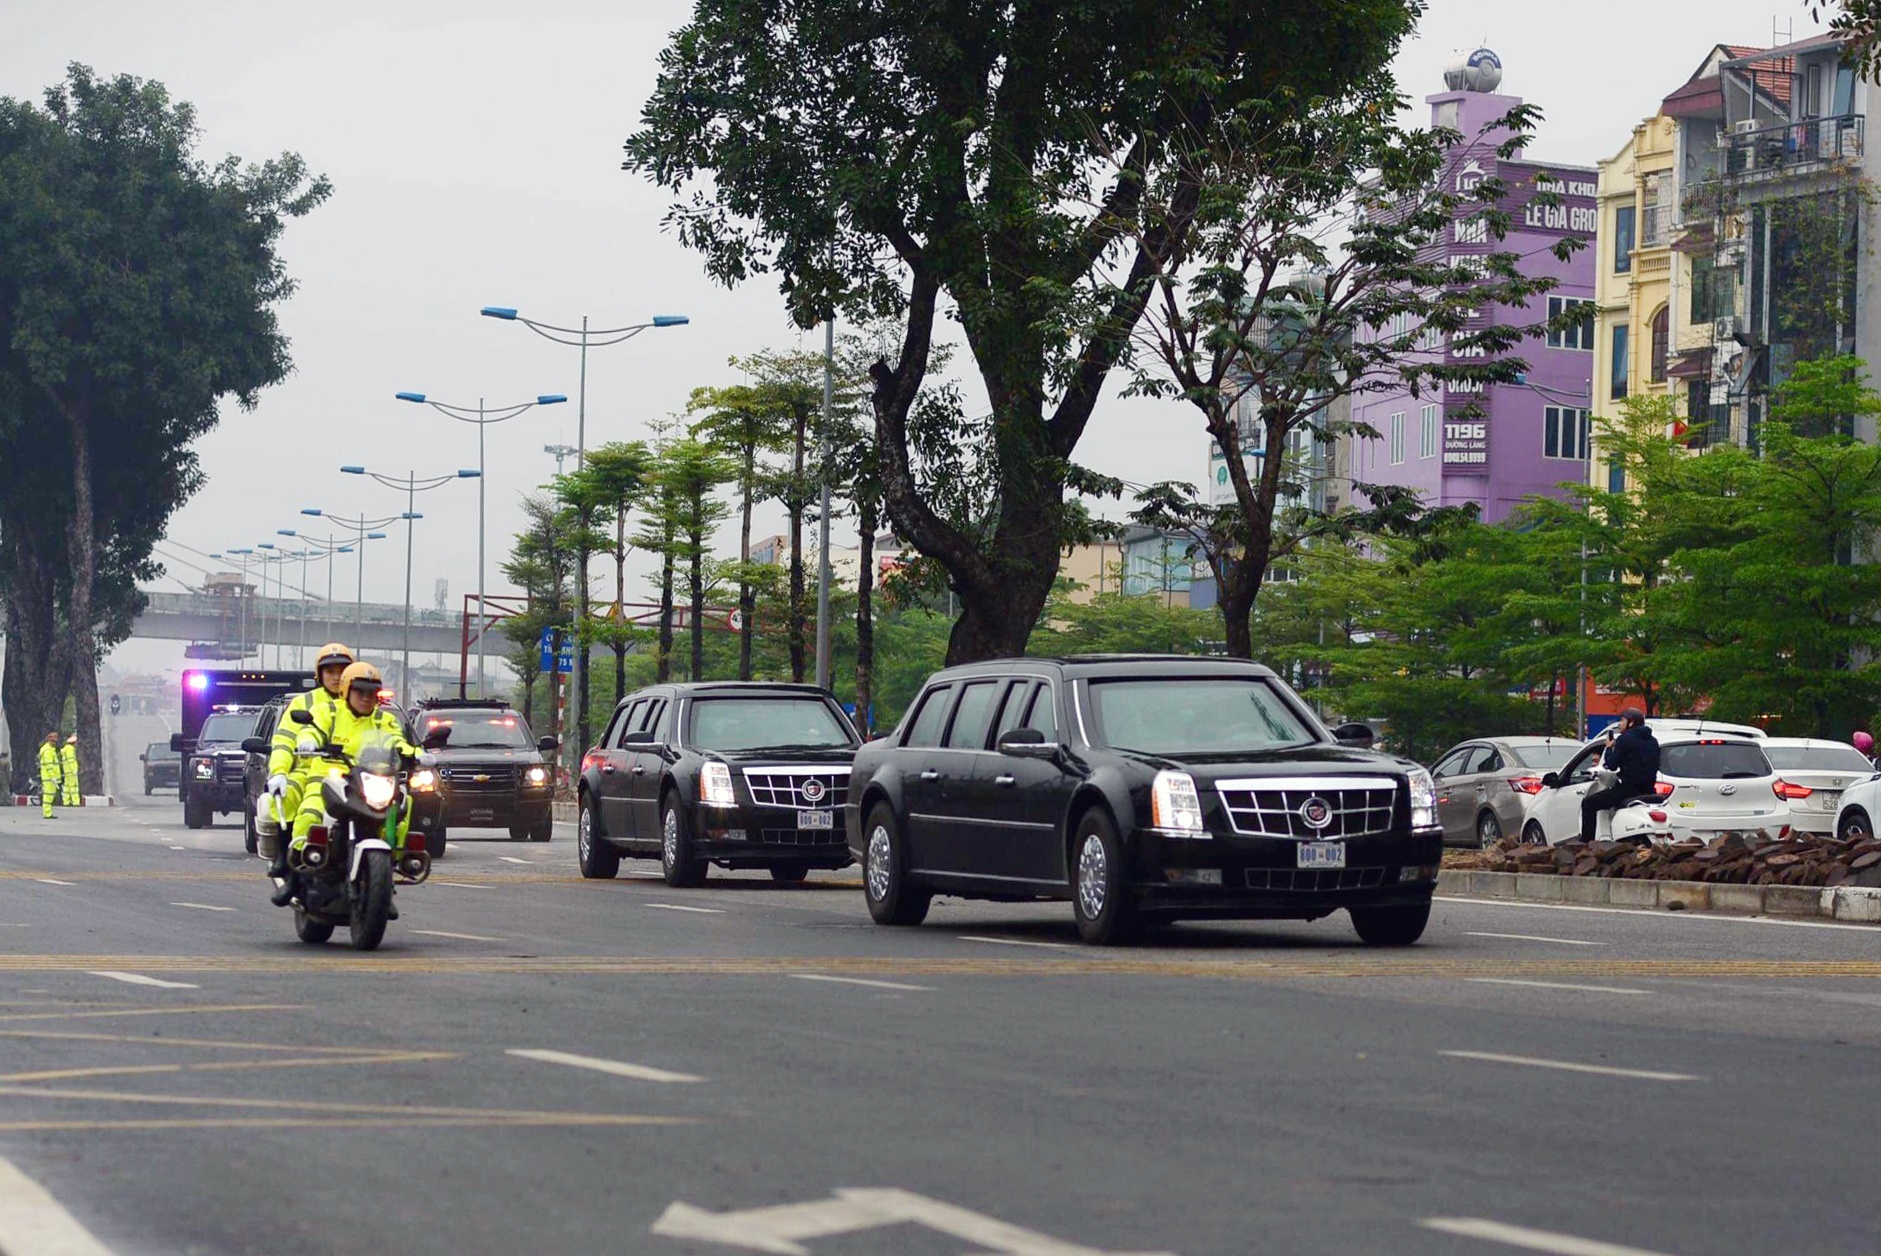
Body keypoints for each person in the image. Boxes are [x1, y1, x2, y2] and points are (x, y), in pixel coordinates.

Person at [272, 661, 422, 907]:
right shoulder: (328, 712)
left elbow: (397, 742)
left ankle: (386, 878)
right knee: (309, 812)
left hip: (370, 780)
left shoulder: (384, 720)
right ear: (346, 690)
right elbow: (312, 731)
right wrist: (308, 741)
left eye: (371, 693)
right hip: (330, 779)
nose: (365, 698)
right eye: (359, 691)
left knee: (402, 806)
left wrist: (415, 753)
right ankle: (296, 878)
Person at [262, 643, 354, 882]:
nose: (336, 677)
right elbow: (284, 741)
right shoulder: (303, 703)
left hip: (355, 773)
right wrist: (279, 772)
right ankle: (289, 864)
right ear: (319, 674)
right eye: (330, 671)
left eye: (341, 671)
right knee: (287, 795)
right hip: (308, 770)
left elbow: (384, 734)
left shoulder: (362, 703)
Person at [1580, 707, 1661, 843]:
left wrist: (1610, 747)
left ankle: (1587, 843)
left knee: (1588, 803)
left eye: (1622, 720)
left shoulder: (1625, 739)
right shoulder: (1653, 741)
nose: (1619, 724)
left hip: (1627, 790)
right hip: (1649, 789)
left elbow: (1611, 765)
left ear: (1631, 722)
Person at [37, 733, 62, 820]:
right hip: (49, 778)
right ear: (49, 740)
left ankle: (48, 812)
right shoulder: (47, 751)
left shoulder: (50, 749)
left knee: (50, 795)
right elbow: (49, 766)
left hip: (49, 777)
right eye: (53, 741)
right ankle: (47, 813)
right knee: (48, 795)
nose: (54, 743)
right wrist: (53, 777)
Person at [59, 736, 80, 807]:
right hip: (71, 771)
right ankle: (75, 802)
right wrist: (74, 769)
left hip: (66, 770)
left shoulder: (65, 748)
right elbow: (71, 760)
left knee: (67, 787)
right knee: (73, 786)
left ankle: (66, 801)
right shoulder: (70, 749)